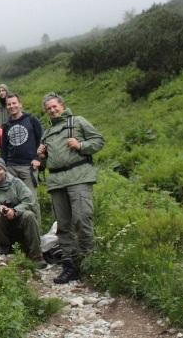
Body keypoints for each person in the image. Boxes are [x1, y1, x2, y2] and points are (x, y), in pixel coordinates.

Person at [37, 92, 105, 284]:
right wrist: (41, 156)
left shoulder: (78, 121)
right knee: (63, 225)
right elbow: (43, 164)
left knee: (82, 218)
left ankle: (88, 261)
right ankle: (70, 265)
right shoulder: (47, 133)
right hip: (57, 181)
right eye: (48, 108)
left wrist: (81, 145)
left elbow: (99, 141)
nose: (52, 110)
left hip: (79, 177)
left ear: (62, 105)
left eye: (54, 106)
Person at [0, 158, 47, 269]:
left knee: (29, 215)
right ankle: (5, 246)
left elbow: (29, 200)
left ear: (4, 170)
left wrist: (15, 211)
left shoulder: (16, 182)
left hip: (19, 219)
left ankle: (36, 256)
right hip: (2, 224)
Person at [0, 93, 43, 227]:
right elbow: (4, 149)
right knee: (13, 202)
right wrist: (4, 166)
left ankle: (37, 235)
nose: (12, 106)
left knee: (31, 200)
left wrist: (37, 158)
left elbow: (42, 141)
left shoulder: (31, 120)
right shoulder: (6, 125)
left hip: (28, 167)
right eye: (9, 104)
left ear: (20, 104)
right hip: (11, 167)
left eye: (14, 103)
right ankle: (18, 236)